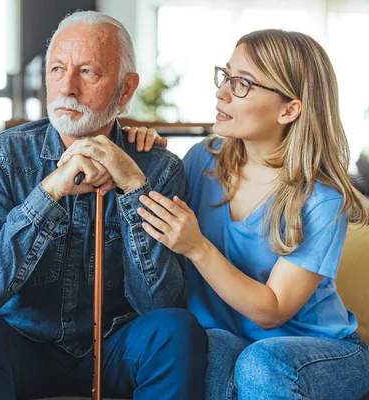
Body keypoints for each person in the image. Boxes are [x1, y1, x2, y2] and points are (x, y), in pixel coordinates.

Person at [70, 29, 369, 399]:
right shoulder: (203, 160)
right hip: (229, 340)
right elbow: (146, 209)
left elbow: (271, 311)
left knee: (261, 365)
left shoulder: (322, 200)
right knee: (201, 348)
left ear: (289, 109)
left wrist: (198, 247)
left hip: (317, 352)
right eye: (226, 76)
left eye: (243, 84)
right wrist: (140, 150)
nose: (222, 92)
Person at [0, 10, 207, 400]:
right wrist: (49, 193)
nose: (67, 88)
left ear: (126, 89)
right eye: (57, 69)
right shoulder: (0, 157)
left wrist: (133, 188)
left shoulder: (158, 167)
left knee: (176, 330)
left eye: (88, 73)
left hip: (116, 349)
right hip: (24, 345)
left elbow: (161, 304)